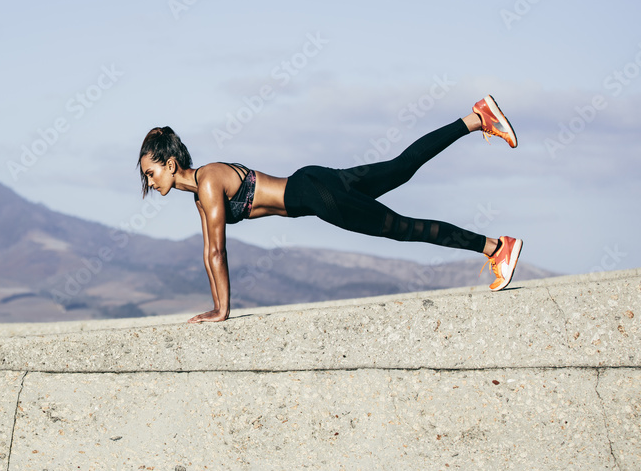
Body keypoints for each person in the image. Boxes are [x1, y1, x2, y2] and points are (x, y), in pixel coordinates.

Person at [137, 95, 523, 323]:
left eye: (151, 173)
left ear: (170, 164)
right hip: (313, 184)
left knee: (401, 227)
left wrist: (221, 311)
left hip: (315, 194)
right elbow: (208, 252)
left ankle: (495, 248)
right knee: (401, 168)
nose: (151, 183)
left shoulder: (207, 182)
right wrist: (216, 307)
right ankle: (477, 118)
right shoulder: (201, 192)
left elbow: (218, 251)